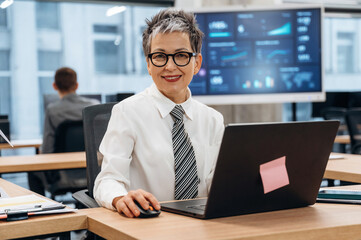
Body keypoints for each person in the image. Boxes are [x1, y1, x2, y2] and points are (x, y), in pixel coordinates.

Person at [94, 9, 225, 218]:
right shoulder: (127, 112)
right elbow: (108, 180)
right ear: (148, 63)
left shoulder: (213, 120)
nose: (170, 66)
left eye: (181, 55)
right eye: (160, 56)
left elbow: (216, 184)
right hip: (150, 225)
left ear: (197, 63)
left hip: (203, 226)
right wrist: (120, 198)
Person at [28, 67, 100, 195]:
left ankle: (43, 209)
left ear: (54, 86)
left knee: (32, 171)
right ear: (76, 85)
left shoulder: (52, 110)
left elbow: (48, 150)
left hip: (62, 175)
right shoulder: (94, 106)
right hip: (92, 172)